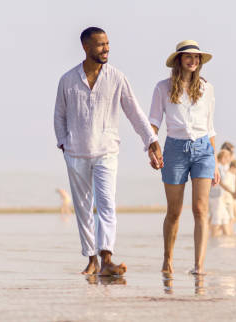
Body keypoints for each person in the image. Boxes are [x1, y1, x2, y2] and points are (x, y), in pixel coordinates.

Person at [54, 26, 163, 276]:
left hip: (106, 151)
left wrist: (151, 140)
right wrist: (64, 144)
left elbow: (134, 111)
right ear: (86, 47)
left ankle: (107, 259)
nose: (107, 48)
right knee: (82, 207)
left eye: (107, 44)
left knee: (106, 204)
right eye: (101, 44)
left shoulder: (116, 77)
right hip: (76, 153)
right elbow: (59, 115)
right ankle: (91, 259)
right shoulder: (67, 80)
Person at [149, 40, 218, 275]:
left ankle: (199, 266)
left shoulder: (207, 89)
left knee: (200, 209)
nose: (193, 61)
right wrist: (153, 148)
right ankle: (168, 259)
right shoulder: (162, 88)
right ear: (178, 60)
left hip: (203, 150)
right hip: (175, 149)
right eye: (188, 56)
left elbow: (210, 127)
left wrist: (215, 163)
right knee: (174, 211)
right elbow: (154, 122)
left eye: (197, 57)